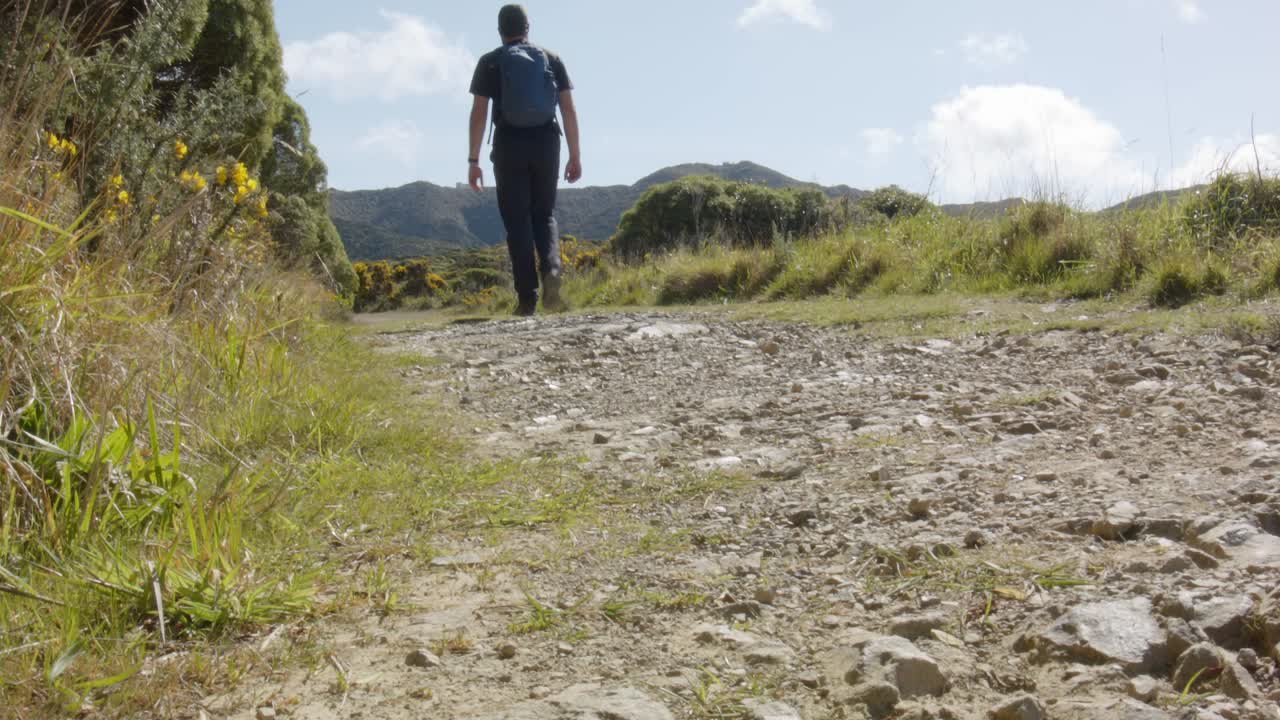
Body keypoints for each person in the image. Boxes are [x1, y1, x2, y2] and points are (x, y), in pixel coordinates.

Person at [468, 4, 582, 317]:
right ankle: (553, 272)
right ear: (527, 27)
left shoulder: (490, 62)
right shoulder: (551, 59)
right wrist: (575, 155)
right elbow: (568, 110)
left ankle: (527, 298)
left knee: (517, 221)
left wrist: (473, 159)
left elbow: (479, 113)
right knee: (544, 214)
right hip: (547, 141)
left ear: (500, 30)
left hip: (509, 144)